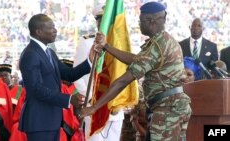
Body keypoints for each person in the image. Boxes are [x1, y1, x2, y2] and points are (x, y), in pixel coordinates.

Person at [80, 2, 192, 141]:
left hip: (167, 110)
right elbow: (136, 59)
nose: (138, 24)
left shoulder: (157, 46)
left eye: (141, 20)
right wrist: (107, 47)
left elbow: (123, 81)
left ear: (151, 21)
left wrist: (95, 107)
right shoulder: (163, 40)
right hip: (172, 107)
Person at [18, 14, 95, 141]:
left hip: (51, 119)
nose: (55, 30)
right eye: (51, 27)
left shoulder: (49, 52)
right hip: (39, 121)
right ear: (38, 32)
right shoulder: (30, 54)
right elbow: (37, 89)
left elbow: (68, 74)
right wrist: (69, 99)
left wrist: (89, 61)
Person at [73, 7, 124, 141]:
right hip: (94, 105)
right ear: (97, 22)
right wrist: (90, 98)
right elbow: (77, 75)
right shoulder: (87, 42)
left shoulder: (120, 44)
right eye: (102, 20)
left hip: (115, 107)